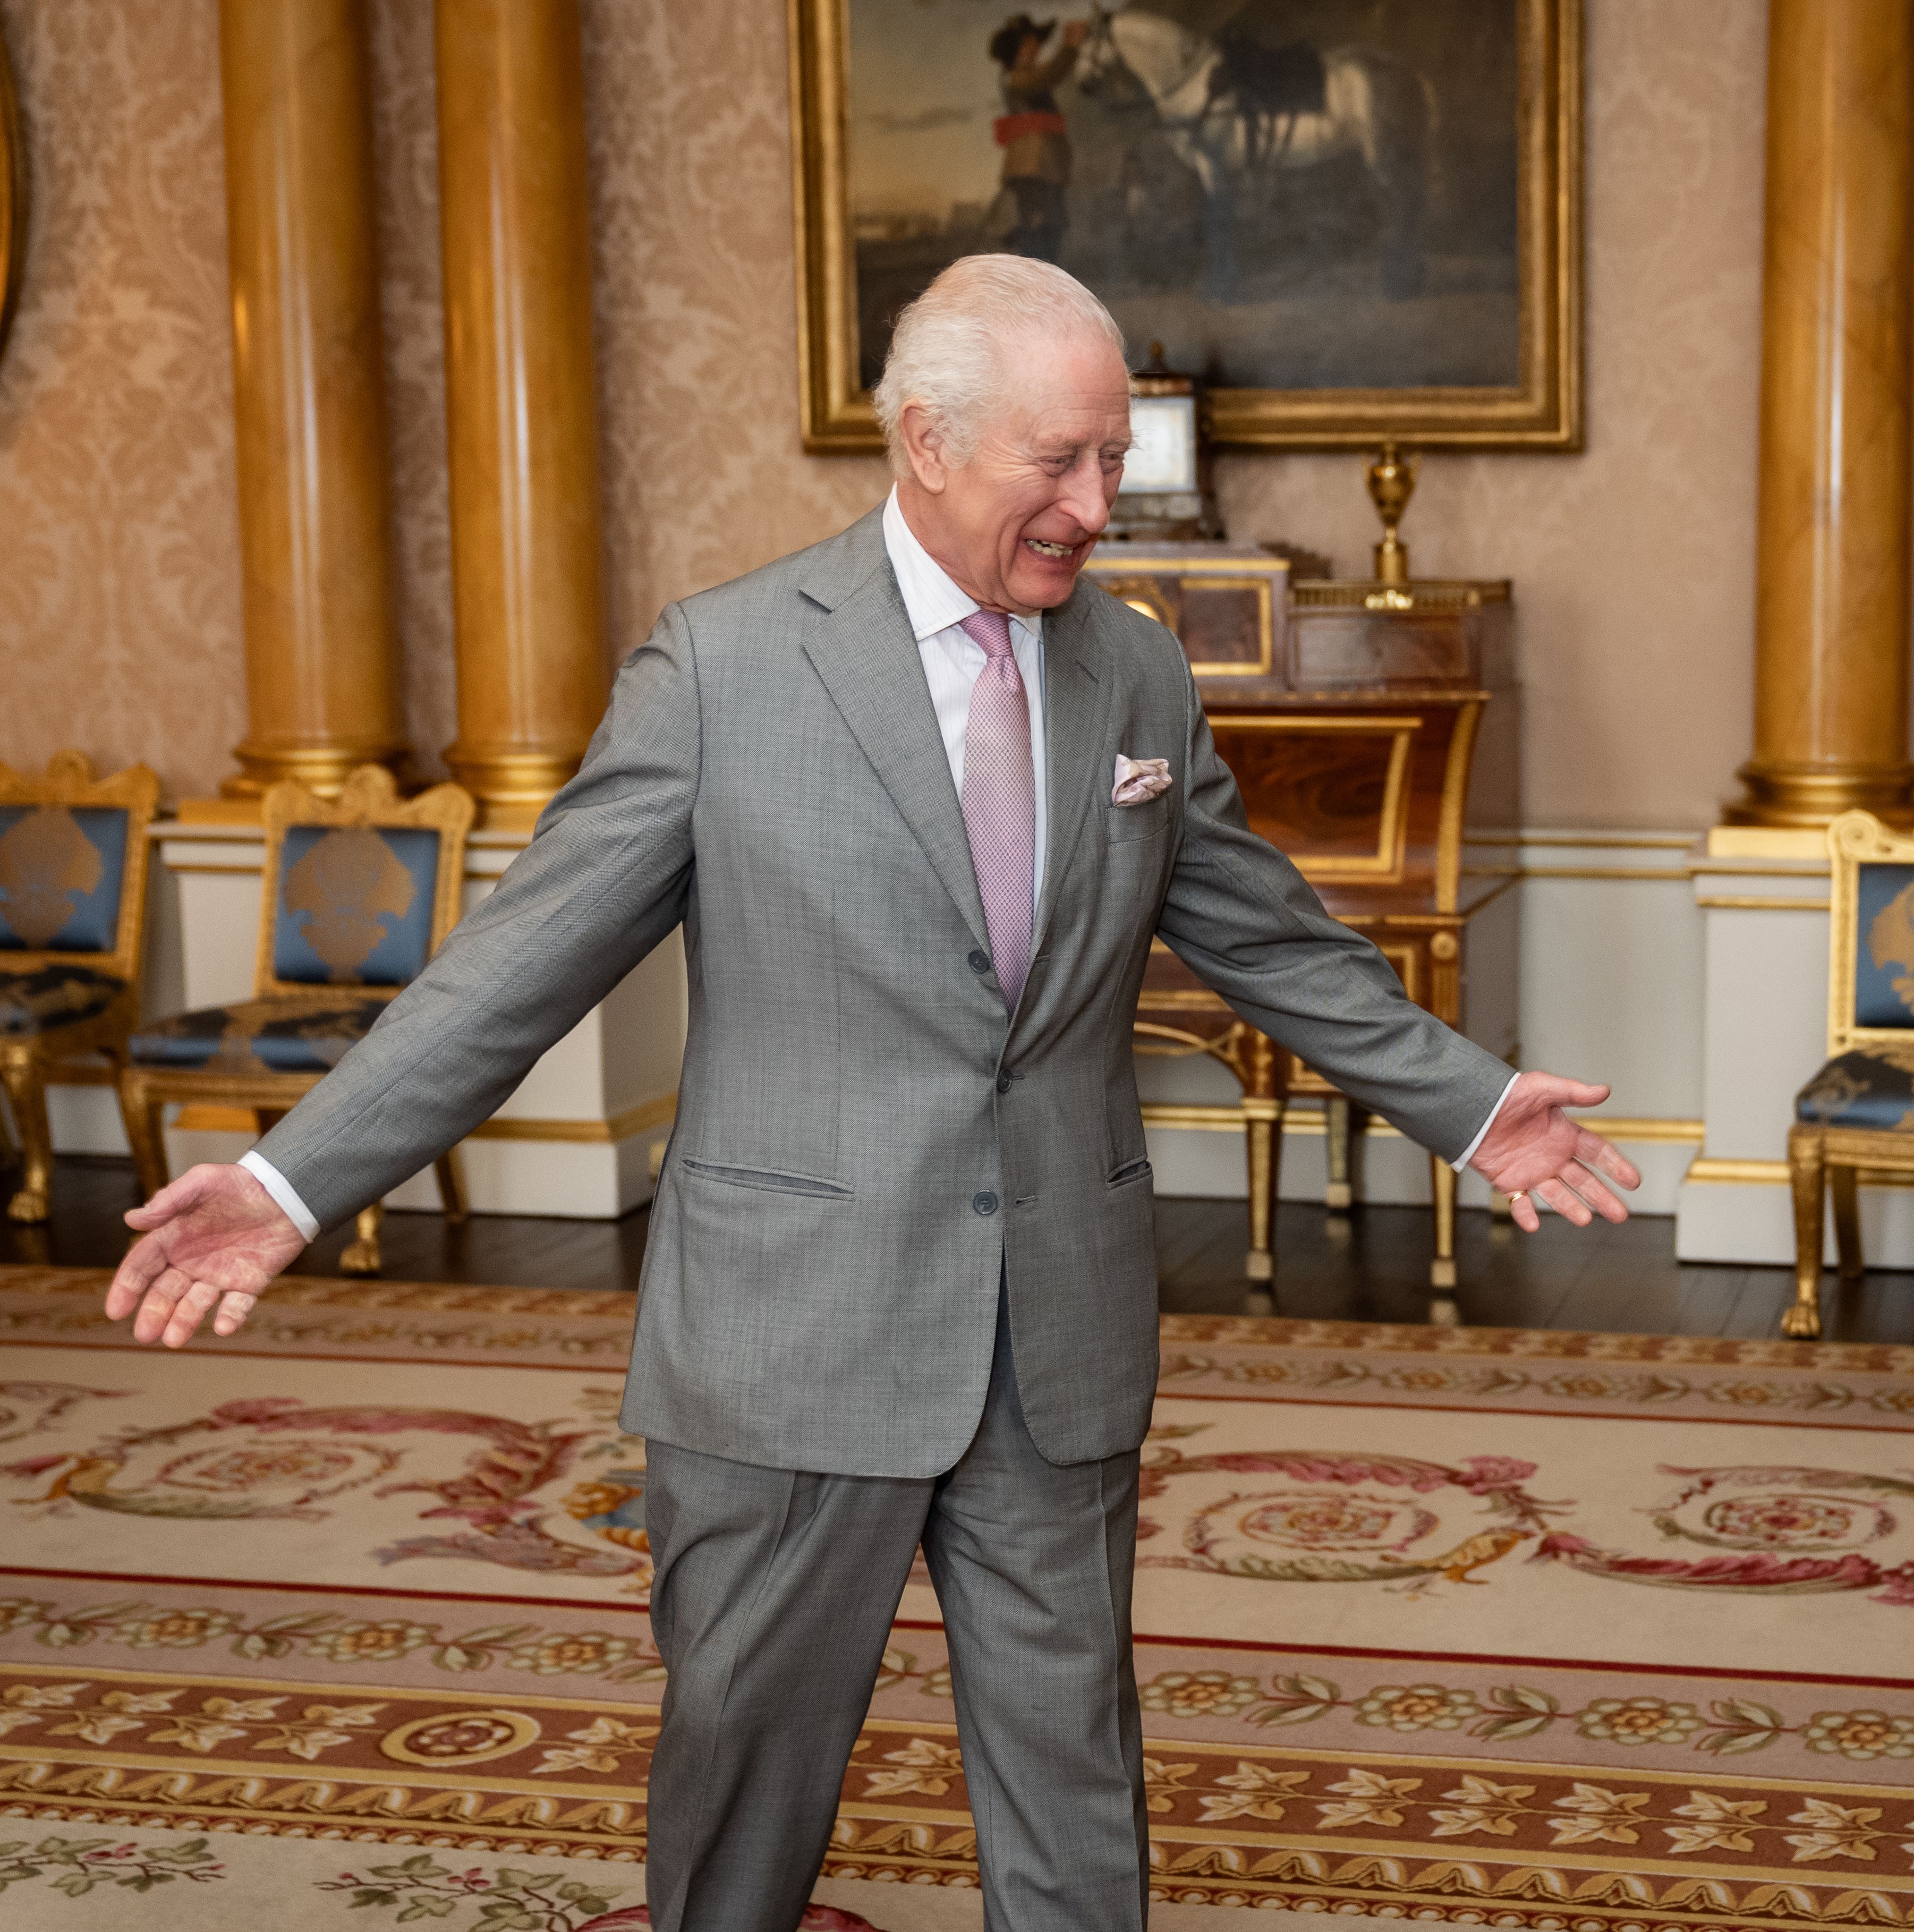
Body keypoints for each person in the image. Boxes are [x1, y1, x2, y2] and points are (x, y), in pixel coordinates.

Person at [101, 254, 1640, 1932]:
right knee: (744, 1775)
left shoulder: (1133, 670)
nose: (1095, 506)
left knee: (1075, 1774)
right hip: (791, 1336)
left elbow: (1265, 932)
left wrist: (1473, 1102)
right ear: (924, 439)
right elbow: (517, 966)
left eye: (1112, 459)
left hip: (1055, 1324)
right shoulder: (723, 666)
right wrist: (291, 1182)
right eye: (1057, 462)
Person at [990, 14, 1087, 262]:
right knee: (1038, 226)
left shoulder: (1027, 75)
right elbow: (1048, 76)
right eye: (1028, 43)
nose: (1035, 48)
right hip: (1031, 168)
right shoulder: (1018, 77)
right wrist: (1070, 48)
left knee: (1052, 225)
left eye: (1035, 42)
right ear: (1016, 50)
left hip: (1045, 167)